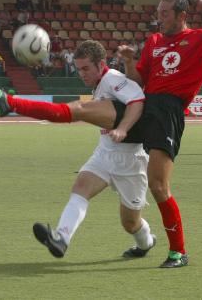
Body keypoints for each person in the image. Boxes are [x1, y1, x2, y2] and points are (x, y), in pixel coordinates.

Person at [0, 0, 202, 268]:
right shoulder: (154, 41)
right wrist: (132, 61)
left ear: (182, 16)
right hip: (145, 108)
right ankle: (8, 102)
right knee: (79, 114)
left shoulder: (201, 37)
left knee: (156, 188)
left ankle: (177, 251)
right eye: (158, 11)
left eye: (165, 13)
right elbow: (140, 81)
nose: (159, 18)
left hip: (166, 112)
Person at [32, 40, 156, 260]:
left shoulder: (112, 79)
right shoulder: (101, 84)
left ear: (101, 64)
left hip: (130, 159)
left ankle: (146, 242)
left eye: (86, 68)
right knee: (80, 187)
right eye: (79, 69)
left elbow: (137, 101)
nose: (82, 73)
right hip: (105, 154)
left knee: (130, 223)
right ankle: (61, 238)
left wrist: (123, 129)